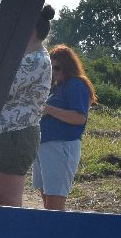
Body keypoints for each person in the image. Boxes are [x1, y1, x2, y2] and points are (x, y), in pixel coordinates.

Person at [0, 4, 54, 206]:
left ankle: (9, 228)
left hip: (14, 136)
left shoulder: (35, 60)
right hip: (8, 134)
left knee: (6, 201)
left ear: (29, 29)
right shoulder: (28, 58)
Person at [32, 44, 94, 211]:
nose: (54, 72)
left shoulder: (76, 84)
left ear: (68, 66)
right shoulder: (56, 86)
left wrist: (48, 109)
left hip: (61, 147)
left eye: (57, 68)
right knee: (47, 200)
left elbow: (79, 118)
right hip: (45, 146)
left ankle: (56, 228)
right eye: (50, 68)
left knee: (54, 205)